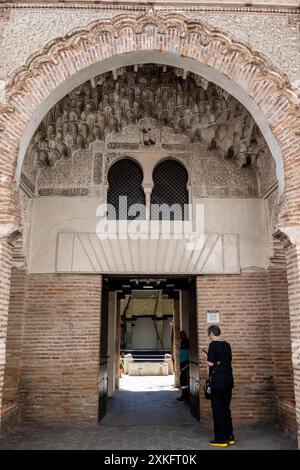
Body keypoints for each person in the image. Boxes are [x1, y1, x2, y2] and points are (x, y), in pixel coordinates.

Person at [202, 325, 235, 447]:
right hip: (228, 381)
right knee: (226, 409)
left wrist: (206, 358)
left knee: (217, 410)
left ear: (211, 333)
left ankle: (220, 440)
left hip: (217, 382)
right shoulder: (227, 345)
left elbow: (211, 363)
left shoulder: (213, 345)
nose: (208, 336)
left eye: (208, 334)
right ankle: (230, 436)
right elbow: (226, 360)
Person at [176, 330, 190, 402]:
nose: (180, 336)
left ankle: (186, 396)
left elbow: (188, 353)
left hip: (186, 363)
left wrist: (187, 362)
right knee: (182, 380)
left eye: (181, 335)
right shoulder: (182, 342)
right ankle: (184, 395)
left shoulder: (187, 342)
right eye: (180, 335)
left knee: (184, 380)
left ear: (184, 335)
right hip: (182, 363)